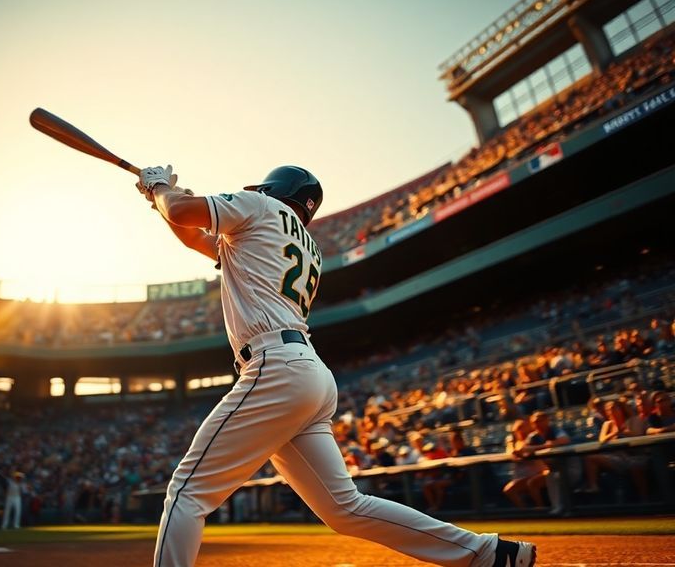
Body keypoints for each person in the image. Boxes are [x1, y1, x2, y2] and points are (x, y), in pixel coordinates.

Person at [137, 164, 535, 567]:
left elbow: (184, 213)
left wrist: (160, 189)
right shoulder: (304, 244)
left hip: (275, 366)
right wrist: (162, 198)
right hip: (306, 371)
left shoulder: (259, 206)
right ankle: (486, 553)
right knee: (345, 508)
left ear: (272, 189)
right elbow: (191, 231)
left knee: (188, 492)